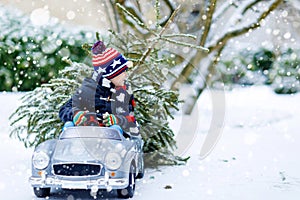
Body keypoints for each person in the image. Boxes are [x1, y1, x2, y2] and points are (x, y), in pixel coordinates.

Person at [58, 41, 139, 136]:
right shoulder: (88, 90)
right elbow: (64, 109)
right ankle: (68, 146)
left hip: (110, 142)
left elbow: (129, 118)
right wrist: (75, 115)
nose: (126, 75)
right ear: (110, 75)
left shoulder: (123, 93)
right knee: (69, 126)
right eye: (122, 72)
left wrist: (117, 119)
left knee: (116, 130)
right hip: (85, 136)